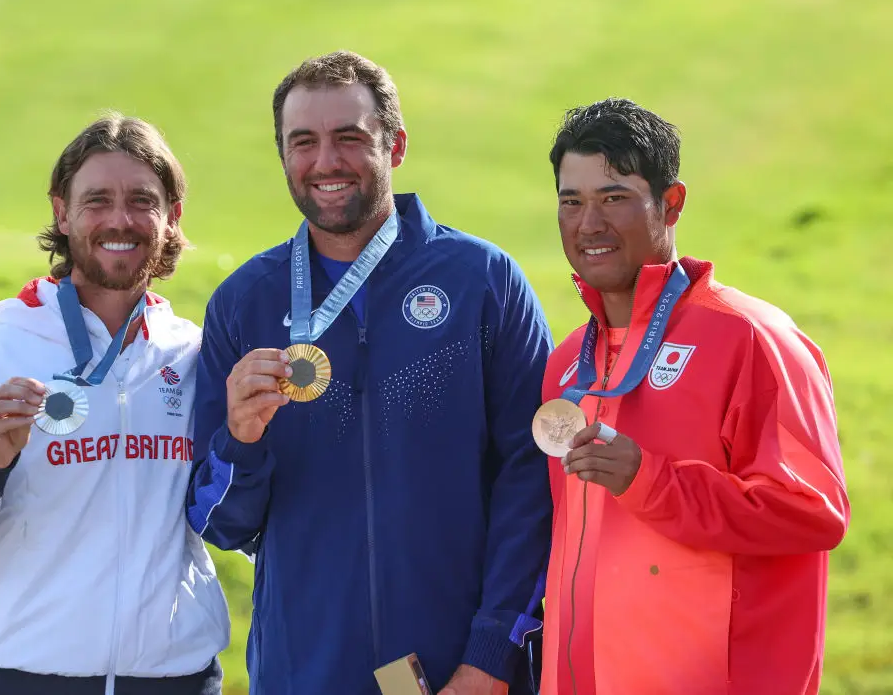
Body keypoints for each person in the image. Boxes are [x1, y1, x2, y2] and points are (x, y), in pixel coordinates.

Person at [186, 51, 553, 695]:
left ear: (396, 144)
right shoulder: (246, 303)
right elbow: (220, 522)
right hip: (305, 672)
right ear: (283, 157)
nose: (325, 162)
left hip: (461, 671)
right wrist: (239, 441)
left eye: (349, 138)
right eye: (304, 142)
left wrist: (495, 653)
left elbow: (536, 477)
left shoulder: (481, 281)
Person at [0, 113, 230, 695]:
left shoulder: (194, 355)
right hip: (30, 678)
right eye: (97, 199)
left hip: (177, 679)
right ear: (61, 211)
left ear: (172, 215)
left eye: (142, 200)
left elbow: (242, 518)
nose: (120, 220)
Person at [536, 98, 850, 695]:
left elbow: (813, 512)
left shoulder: (751, 337)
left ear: (671, 202)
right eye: (571, 201)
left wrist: (651, 482)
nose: (588, 223)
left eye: (614, 197)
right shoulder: (566, 363)